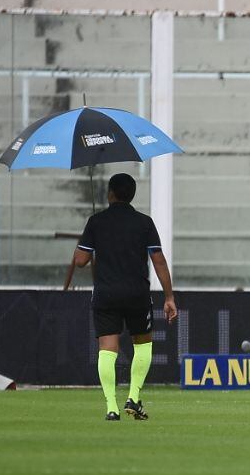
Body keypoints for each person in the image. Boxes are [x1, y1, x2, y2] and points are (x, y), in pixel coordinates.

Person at [67, 173, 177, 421]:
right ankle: (133, 397)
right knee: (143, 344)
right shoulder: (144, 222)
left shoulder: (96, 221)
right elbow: (158, 260)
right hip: (137, 293)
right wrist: (169, 296)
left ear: (110, 193)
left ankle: (111, 407)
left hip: (106, 294)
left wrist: (86, 240)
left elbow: (81, 261)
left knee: (108, 349)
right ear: (132, 195)